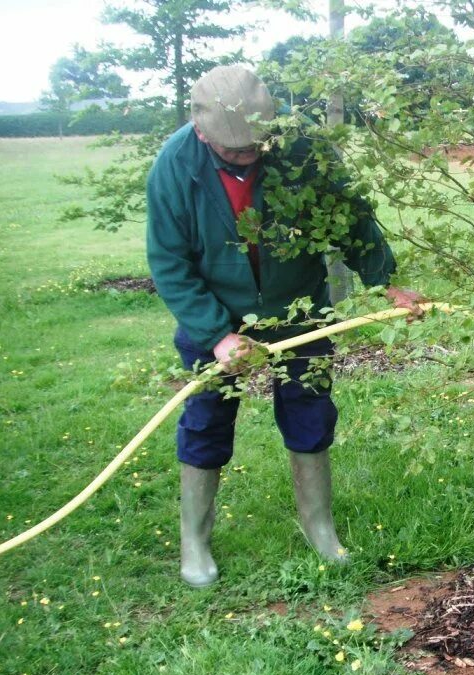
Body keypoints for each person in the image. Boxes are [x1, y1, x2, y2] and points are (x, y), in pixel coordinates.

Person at [146, 65, 422, 587]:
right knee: (206, 418)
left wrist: (385, 279)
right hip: (217, 315)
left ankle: (318, 526)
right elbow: (169, 262)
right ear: (201, 131)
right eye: (234, 151)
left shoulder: (301, 147)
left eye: (257, 144)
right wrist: (216, 334)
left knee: (309, 409)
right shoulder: (174, 165)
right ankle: (195, 542)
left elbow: (351, 215)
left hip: (299, 307)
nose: (249, 156)